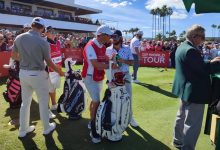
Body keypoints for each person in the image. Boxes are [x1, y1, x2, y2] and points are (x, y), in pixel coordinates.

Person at [11, 17, 65, 138]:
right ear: (42, 28)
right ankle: (46, 128)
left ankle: (23, 130)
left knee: (25, 103)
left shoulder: (19, 37)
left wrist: (25, 60)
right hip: (38, 74)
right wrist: (60, 72)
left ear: (32, 25)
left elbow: (14, 55)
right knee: (43, 101)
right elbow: (49, 63)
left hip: (24, 74)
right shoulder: (43, 42)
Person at [172, 25, 220, 150]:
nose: (203, 40)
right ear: (194, 36)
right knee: (192, 124)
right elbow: (202, 69)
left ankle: (177, 141)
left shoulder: (182, 47)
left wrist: (209, 62)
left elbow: (195, 66)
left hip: (185, 90)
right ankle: (187, 148)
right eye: (202, 37)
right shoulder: (191, 50)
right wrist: (214, 63)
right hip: (194, 91)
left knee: (181, 116)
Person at [81, 25, 117, 143]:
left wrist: (111, 59)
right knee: (96, 101)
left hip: (98, 77)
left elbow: (105, 59)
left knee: (95, 100)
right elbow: (96, 64)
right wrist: (111, 65)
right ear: (101, 34)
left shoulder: (101, 46)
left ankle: (92, 121)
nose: (109, 38)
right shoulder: (90, 45)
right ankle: (93, 128)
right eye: (108, 35)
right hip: (90, 77)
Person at [106, 30, 139, 128]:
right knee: (113, 98)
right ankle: (115, 118)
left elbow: (132, 62)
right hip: (113, 77)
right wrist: (111, 62)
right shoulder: (108, 49)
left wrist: (122, 60)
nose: (113, 39)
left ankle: (130, 117)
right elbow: (106, 63)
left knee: (128, 97)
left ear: (120, 38)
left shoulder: (127, 48)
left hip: (125, 76)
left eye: (115, 37)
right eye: (112, 37)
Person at [45, 26, 61, 112]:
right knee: (48, 89)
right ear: (46, 33)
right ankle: (47, 108)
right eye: (51, 31)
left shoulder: (57, 42)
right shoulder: (45, 43)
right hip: (48, 70)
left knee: (53, 88)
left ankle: (54, 104)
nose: (53, 33)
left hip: (56, 69)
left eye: (54, 31)